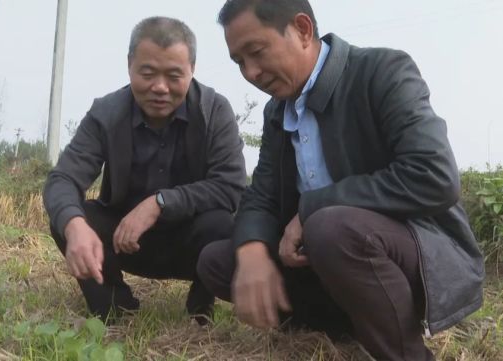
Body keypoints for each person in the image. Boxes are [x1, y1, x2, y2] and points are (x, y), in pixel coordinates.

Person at [197, 0, 484, 359]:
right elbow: (262, 195)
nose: (251, 72)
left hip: (413, 254)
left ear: (302, 30)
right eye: (239, 62)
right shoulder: (277, 111)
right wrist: (252, 249)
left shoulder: (382, 71)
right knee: (220, 260)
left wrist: (311, 209)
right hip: (331, 255)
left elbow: (434, 175)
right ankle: (345, 330)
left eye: (256, 52)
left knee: (330, 227)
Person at [43, 16, 246, 325]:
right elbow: (63, 179)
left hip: (192, 242)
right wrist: (74, 226)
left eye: (174, 75)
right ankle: (115, 308)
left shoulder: (215, 110)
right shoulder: (106, 113)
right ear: (130, 66)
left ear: (192, 70)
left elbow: (230, 187)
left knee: (221, 223)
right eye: (148, 73)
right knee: (70, 216)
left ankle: (200, 307)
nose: (160, 88)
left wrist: (160, 203)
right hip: (125, 239)